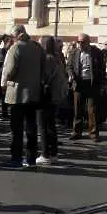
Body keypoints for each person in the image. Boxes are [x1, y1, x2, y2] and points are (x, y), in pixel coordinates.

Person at [1, 25, 45, 168]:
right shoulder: (37, 48)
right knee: (31, 128)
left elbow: (10, 71)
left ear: (16, 35)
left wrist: (5, 83)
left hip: (18, 94)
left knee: (17, 129)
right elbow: (43, 69)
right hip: (34, 93)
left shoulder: (15, 48)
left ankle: (16, 159)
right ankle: (31, 158)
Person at [67, 33, 106, 141]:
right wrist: (71, 75)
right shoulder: (74, 52)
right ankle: (76, 132)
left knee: (92, 110)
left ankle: (93, 133)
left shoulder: (96, 52)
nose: (80, 44)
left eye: (82, 42)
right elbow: (69, 66)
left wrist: (103, 83)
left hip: (92, 84)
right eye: (78, 42)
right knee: (77, 109)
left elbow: (102, 68)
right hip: (79, 83)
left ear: (88, 42)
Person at [37, 35, 68, 165]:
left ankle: (45, 154)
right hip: (55, 95)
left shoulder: (47, 58)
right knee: (51, 125)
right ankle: (53, 153)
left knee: (43, 125)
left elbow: (43, 77)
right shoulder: (57, 57)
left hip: (46, 96)